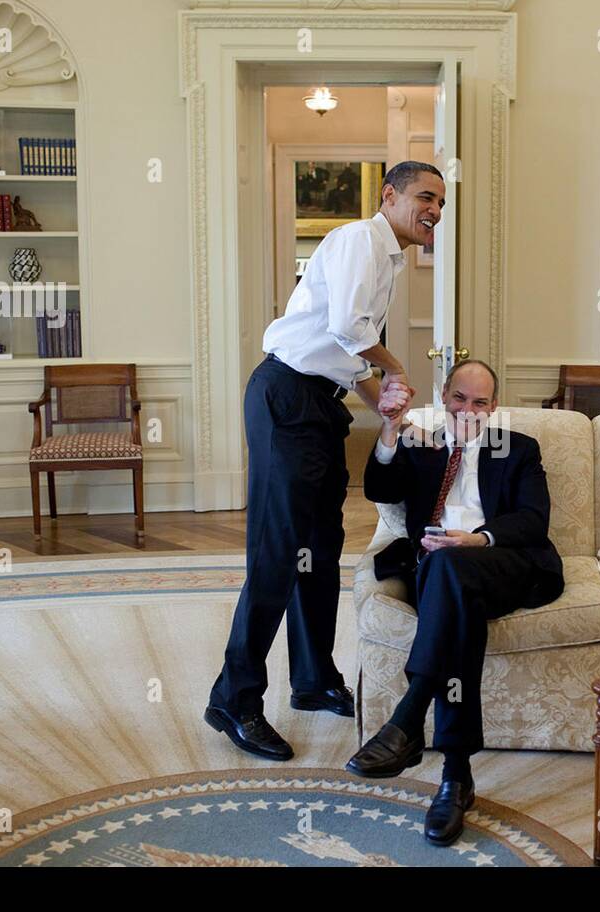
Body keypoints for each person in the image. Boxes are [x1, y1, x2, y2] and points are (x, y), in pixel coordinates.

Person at [205, 161, 445, 761]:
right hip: (286, 397)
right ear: (389, 195)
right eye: (425, 197)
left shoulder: (385, 257)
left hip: (318, 404)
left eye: (441, 202)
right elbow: (346, 328)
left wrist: (387, 408)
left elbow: (346, 352)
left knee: (319, 548)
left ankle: (311, 680)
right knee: (278, 550)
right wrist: (395, 368)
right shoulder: (359, 240)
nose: (435, 211)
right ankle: (234, 698)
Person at [345, 360, 566, 846]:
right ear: (444, 396)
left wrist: (478, 538)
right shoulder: (420, 445)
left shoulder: (520, 449)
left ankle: (408, 720)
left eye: (480, 402)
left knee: (451, 571)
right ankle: (455, 777)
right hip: (439, 570)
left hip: (501, 562)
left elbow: (533, 521)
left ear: (494, 408)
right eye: (460, 398)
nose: (468, 410)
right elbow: (380, 488)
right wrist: (387, 425)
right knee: (451, 593)